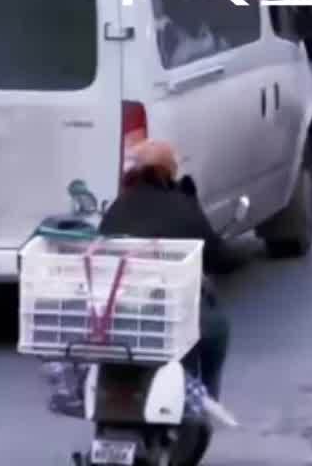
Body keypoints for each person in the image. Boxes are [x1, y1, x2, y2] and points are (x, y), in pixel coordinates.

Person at [95, 139, 238, 405]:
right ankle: (206, 402)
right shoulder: (183, 205)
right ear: (171, 170)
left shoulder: (116, 208)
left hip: (119, 314)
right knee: (217, 329)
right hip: (169, 315)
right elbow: (221, 258)